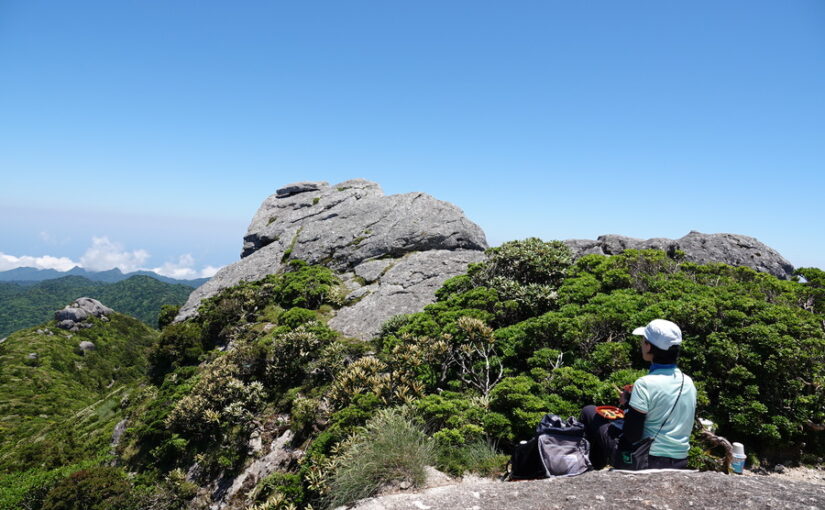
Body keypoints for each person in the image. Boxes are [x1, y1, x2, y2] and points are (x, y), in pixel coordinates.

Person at [580, 319, 697, 469]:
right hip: (680, 461)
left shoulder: (644, 384)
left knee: (589, 412)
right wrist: (631, 399)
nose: (641, 344)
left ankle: (589, 469)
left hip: (645, 460)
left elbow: (632, 436)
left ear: (649, 347)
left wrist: (628, 407)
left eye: (643, 341)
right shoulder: (688, 382)